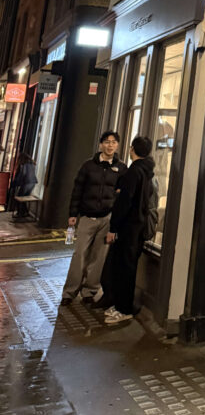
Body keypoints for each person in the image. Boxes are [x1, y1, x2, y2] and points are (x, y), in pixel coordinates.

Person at [60, 131, 127, 306]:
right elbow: (77, 191)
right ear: (100, 145)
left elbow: (123, 194)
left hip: (107, 218)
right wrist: (73, 214)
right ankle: (69, 292)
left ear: (117, 145)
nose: (110, 145)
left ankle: (89, 290)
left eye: (113, 142)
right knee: (79, 254)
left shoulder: (121, 168)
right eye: (107, 142)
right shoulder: (88, 166)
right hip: (87, 217)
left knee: (99, 257)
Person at [100, 134, 155, 325]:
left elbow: (124, 202)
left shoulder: (134, 172)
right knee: (127, 268)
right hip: (138, 227)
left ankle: (124, 309)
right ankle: (121, 305)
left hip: (128, 227)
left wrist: (114, 227)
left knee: (125, 269)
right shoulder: (148, 172)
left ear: (133, 149)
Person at [10, 152, 37, 220]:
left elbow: (22, 175)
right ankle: (25, 212)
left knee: (19, 198)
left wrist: (14, 183)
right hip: (32, 183)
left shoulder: (24, 164)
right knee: (23, 198)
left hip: (26, 183)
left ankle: (20, 214)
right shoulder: (32, 164)